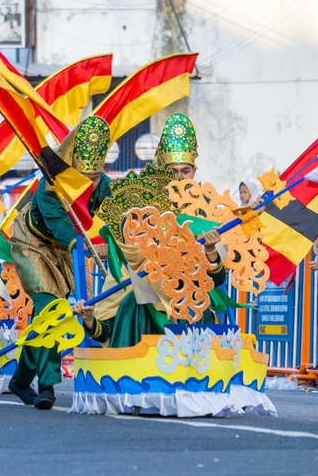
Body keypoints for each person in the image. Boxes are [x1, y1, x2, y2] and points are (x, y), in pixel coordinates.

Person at [86, 113, 226, 348]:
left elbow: (216, 280)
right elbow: (128, 263)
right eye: (172, 170)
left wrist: (211, 251)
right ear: (161, 169)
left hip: (188, 301)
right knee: (134, 302)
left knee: (194, 305)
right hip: (143, 299)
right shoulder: (141, 208)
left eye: (185, 171)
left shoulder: (204, 213)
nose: (179, 178)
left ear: (194, 171)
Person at [8, 116, 113, 410]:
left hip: (71, 249)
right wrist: (94, 247)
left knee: (82, 309)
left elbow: (118, 218)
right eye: (83, 175)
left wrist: (114, 243)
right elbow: (60, 227)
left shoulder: (103, 184)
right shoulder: (49, 186)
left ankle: (20, 379)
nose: (89, 183)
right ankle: (48, 384)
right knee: (48, 306)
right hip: (34, 243)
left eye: (94, 177)